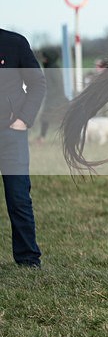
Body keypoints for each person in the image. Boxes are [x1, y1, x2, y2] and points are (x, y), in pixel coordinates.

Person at [1, 28, 46, 268]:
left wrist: (23, 120)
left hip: (11, 134)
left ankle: (28, 259)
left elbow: (37, 84)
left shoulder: (14, 43)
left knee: (18, 198)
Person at [36, 48, 67, 144]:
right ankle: (42, 137)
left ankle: (42, 138)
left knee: (48, 118)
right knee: (46, 118)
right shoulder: (50, 68)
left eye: (44, 57)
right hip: (53, 98)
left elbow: (58, 85)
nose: (42, 60)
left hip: (56, 98)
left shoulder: (52, 68)